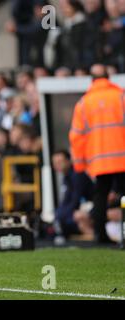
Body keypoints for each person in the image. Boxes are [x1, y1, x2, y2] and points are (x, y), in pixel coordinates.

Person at [69, 64, 125, 244]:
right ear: (109, 77)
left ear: (91, 79)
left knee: (100, 194)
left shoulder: (84, 103)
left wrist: (79, 164)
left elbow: (76, 137)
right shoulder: (121, 96)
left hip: (99, 160)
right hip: (123, 156)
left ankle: (100, 235)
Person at [51, 149, 93, 239]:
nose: (57, 165)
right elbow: (66, 200)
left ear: (68, 161)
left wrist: (59, 215)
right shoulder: (66, 177)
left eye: (60, 162)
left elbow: (75, 201)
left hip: (91, 207)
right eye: (55, 163)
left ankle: (96, 238)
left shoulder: (77, 175)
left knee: (75, 217)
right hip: (81, 208)